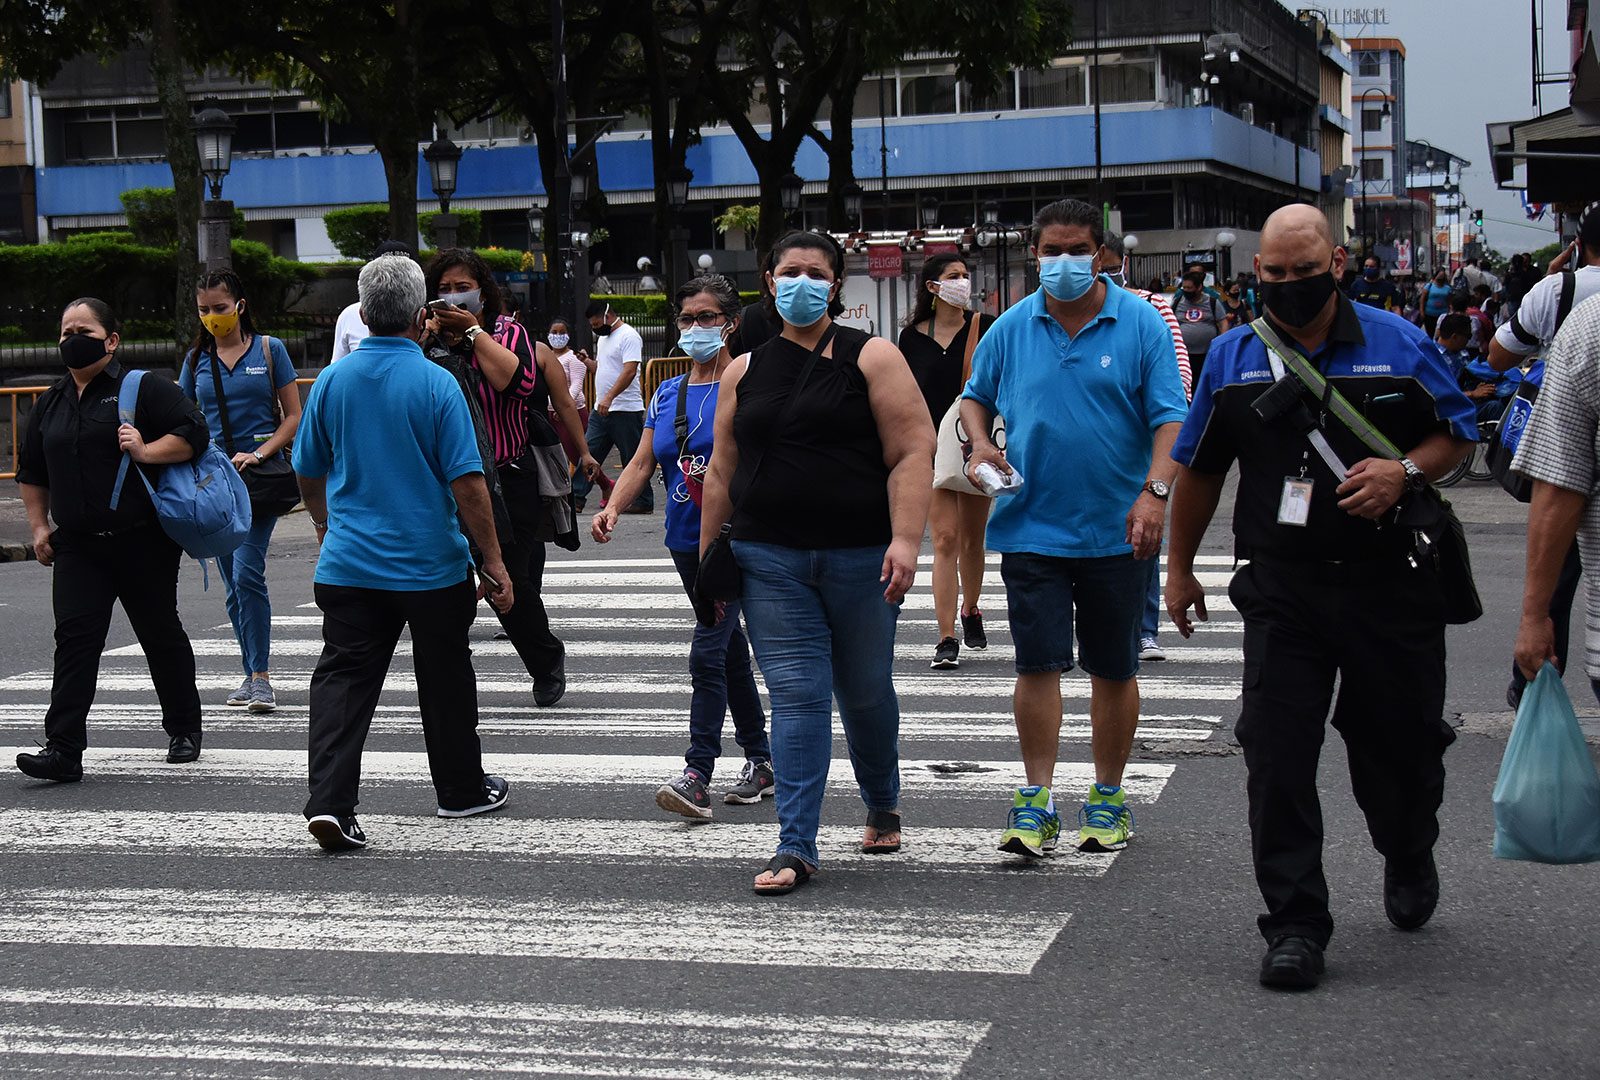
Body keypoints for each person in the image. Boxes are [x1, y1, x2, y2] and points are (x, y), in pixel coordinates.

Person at [1164, 203, 1476, 991]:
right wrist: (1179, 567)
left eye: (1306, 272)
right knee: (1275, 756)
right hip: (1284, 590)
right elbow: (1199, 468)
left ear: (1336, 265)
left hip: (1390, 585)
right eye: (1275, 275)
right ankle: (1296, 923)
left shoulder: (1398, 343)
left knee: (1398, 750)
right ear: (1256, 273)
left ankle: (1408, 849)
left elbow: (1459, 433)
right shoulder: (1235, 356)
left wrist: (1401, 471)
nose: (1291, 286)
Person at [700, 230, 936, 894]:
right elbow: (721, 472)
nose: (801, 282)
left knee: (863, 691)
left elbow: (912, 451)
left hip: (861, 556)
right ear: (769, 283)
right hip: (767, 557)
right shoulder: (742, 371)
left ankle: (882, 798)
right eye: (788, 271)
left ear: (835, 285)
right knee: (799, 697)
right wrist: (705, 569)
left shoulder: (874, 357)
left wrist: (907, 541)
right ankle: (795, 845)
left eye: (816, 272)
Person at [960, 198, 1189, 860]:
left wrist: (1155, 494)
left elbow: (1171, 417)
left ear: (1102, 255)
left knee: (1113, 669)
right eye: (1051, 252)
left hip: (1119, 532)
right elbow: (975, 397)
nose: (1063, 263)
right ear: (1035, 256)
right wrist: (980, 444)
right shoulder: (1011, 326)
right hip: (1031, 527)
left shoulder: (1141, 323)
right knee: (1038, 666)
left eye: (1076, 250)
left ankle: (1109, 799)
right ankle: (1036, 802)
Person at [292, 254, 516, 852]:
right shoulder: (437, 383)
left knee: (342, 680)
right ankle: (460, 789)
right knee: (444, 676)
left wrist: (323, 522)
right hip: (431, 566)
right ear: (422, 317)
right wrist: (492, 562)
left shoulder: (331, 381)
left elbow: (307, 470)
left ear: (362, 315)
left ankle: (331, 803)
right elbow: (468, 485)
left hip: (349, 563)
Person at [593, 274, 772, 817]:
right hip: (684, 542)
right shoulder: (668, 391)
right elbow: (643, 461)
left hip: (734, 539)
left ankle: (698, 771)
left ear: (731, 323)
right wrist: (612, 506)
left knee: (708, 649)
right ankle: (762, 759)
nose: (696, 328)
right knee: (728, 649)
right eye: (687, 319)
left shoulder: (749, 382)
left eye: (708, 318)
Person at [14, 298, 209, 782]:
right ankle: (63, 750)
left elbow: (195, 433)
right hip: (78, 546)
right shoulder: (50, 402)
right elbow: (32, 472)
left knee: (159, 633)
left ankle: (184, 728)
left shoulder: (142, 388)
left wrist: (146, 449)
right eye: (64, 332)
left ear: (111, 340)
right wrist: (40, 528)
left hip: (141, 540)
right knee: (75, 642)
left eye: (83, 329)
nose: (71, 339)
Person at [423, 247, 599, 709]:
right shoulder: (428, 339)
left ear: (483, 288)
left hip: (508, 475)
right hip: (451, 482)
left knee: (510, 582)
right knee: (469, 586)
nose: (454, 296)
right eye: (444, 289)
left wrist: (474, 333)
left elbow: (519, 385)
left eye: (463, 286)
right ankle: (457, 681)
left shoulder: (508, 333)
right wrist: (427, 337)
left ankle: (545, 661)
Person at [1488, 205, 1600, 709]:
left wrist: (1552, 289)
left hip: (1571, 451)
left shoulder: (1564, 297)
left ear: (1579, 244)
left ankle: (1533, 679)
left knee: (1558, 577)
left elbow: (1498, 357)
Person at [178, 269, 302, 713]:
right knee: (233, 585)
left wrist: (261, 452)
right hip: (214, 483)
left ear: (240, 306)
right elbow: (180, 415)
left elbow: (292, 416)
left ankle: (263, 677)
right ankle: (250, 674)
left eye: (220, 308)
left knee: (248, 572)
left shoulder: (270, 350)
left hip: (260, 480)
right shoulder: (197, 360)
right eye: (204, 310)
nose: (213, 317)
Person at [1097, 232, 1194, 663]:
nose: (1103, 275)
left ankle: (1145, 629)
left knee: (1143, 531)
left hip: (1139, 441)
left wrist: (1163, 424)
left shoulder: (1152, 307)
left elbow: (1179, 373)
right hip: (1091, 447)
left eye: (1110, 265)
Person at [897, 253, 996, 670]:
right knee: (944, 540)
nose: (963, 282)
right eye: (953, 276)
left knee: (973, 539)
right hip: (933, 449)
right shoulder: (911, 338)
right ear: (932, 287)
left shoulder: (985, 327)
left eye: (965, 275)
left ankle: (970, 610)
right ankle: (946, 637)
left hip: (975, 445)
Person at [1511, 294, 1600, 704]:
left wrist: (1535, 618)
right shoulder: (1589, 326)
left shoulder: (1589, 323)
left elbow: (1559, 482)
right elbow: (1559, 482)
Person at [571, 300, 648, 514]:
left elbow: (630, 371)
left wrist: (610, 397)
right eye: (593, 326)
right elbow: (603, 369)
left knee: (632, 457)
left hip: (625, 409)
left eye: (597, 325)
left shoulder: (629, 336)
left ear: (608, 316)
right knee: (588, 453)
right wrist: (587, 362)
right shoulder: (605, 339)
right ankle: (576, 497)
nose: (596, 329)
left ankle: (644, 500)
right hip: (602, 409)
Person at [330, 241, 416, 361]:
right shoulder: (348, 315)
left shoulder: (427, 313)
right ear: (363, 315)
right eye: (386, 272)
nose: (395, 279)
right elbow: (337, 366)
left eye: (403, 273)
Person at [546, 317, 598, 474]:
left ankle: (604, 484)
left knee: (578, 457)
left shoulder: (574, 357)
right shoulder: (545, 356)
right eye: (554, 332)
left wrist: (563, 406)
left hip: (570, 411)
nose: (558, 335)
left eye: (562, 332)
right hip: (549, 412)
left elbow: (576, 385)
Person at [1170, 270, 1228, 382]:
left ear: (1199, 287)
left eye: (1189, 288)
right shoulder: (1177, 302)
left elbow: (1223, 323)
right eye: (1184, 288)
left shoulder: (1212, 302)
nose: (1186, 291)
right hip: (1184, 356)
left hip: (1207, 355)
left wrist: (1220, 345)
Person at [1421, 269, 1452, 338]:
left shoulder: (1447, 288)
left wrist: (1449, 311)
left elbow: (1449, 300)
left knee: (1441, 333)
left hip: (1442, 314)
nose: (1441, 278)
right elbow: (1422, 299)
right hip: (1429, 314)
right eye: (1439, 276)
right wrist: (1422, 312)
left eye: (1443, 276)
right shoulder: (1429, 286)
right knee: (1430, 333)